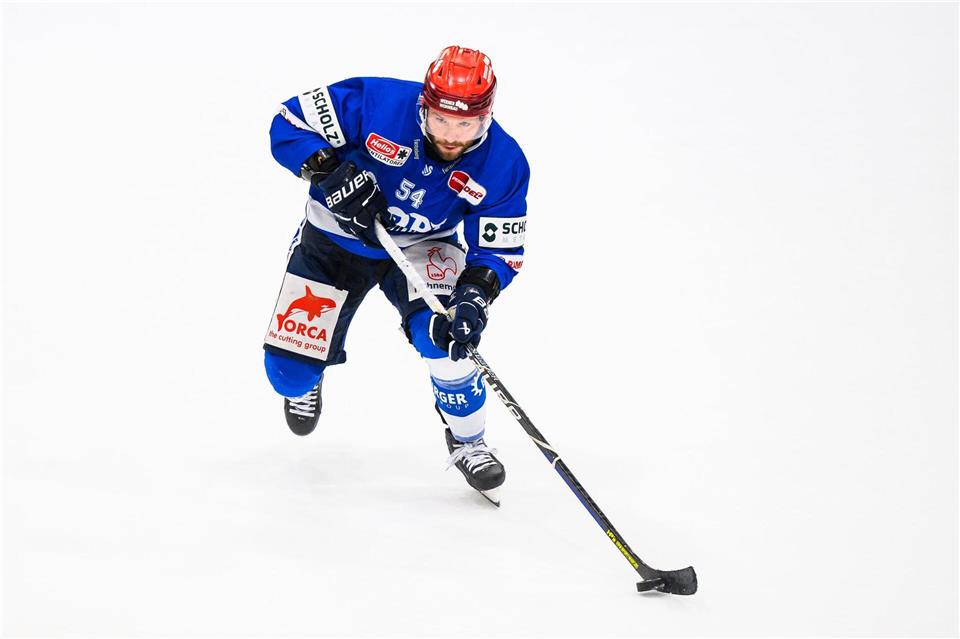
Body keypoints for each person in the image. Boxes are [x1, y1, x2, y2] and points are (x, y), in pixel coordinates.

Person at [263, 46, 530, 504]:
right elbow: (288, 122)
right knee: (288, 377)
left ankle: (469, 441)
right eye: (441, 120)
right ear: (424, 106)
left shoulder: (504, 162)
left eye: (466, 125)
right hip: (334, 238)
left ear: (486, 118)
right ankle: (309, 371)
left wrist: (475, 295)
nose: (451, 136)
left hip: (425, 247)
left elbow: (500, 248)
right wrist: (329, 171)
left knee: (446, 336)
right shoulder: (376, 102)